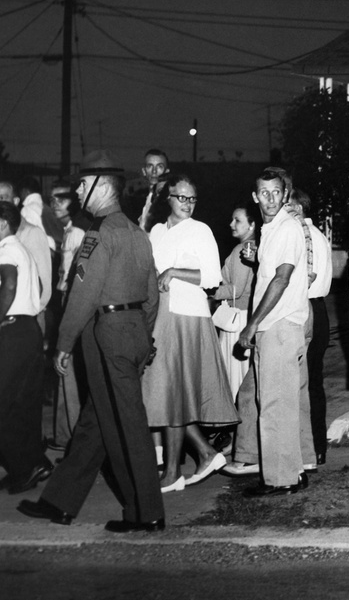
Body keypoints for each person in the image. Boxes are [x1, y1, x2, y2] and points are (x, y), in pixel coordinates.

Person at [18, 150, 164, 532]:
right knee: (96, 422)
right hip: (132, 330)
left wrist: (63, 344)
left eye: (82, 185)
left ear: (102, 187)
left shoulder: (99, 235)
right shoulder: (137, 233)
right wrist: (143, 337)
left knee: (126, 424)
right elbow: (152, 296)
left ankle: (145, 512)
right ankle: (60, 502)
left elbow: (82, 296)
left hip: (107, 334)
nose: (78, 192)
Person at [143, 175, 236, 492]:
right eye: (181, 197)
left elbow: (211, 277)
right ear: (168, 198)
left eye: (192, 199)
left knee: (173, 394)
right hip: (162, 314)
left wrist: (173, 271)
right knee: (167, 393)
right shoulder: (157, 231)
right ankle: (206, 453)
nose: (187, 203)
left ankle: (172, 473)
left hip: (187, 315)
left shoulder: (201, 230)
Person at [237, 168, 314, 497]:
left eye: (276, 192)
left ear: (285, 194)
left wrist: (251, 324)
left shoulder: (285, 228)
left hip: (279, 326)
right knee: (281, 403)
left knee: (273, 405)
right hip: (281, 325)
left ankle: (280, 480)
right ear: (255, 196)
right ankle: (292, 471)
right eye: (263, 193)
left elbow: (281, 279)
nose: (270, 198)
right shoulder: (273, 229)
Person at [0, 200, 47, 494]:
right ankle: (33, 463)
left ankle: (24, 467)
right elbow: (38, 287)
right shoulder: (21, 249)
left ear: (2, 224)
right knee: (21, 405)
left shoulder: (6, 251)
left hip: (10, 332)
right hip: (27, 330)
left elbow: (9, 283)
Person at [289, 189, 333, 466]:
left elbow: (305, 278)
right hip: (315, 309)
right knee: (311, 381)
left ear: (298, 209)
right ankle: (313, 447)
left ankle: (314, 447)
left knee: (309, 383)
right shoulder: (316, 235)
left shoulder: (307, 239)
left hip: (309, 309)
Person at [48, 185, 87, 450]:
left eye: (61, 198)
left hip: (71, 301)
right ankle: (66, 435)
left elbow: (75, 276)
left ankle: (69, 437)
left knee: (67, 367)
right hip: (66, 300)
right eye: (52, 198)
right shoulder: (68, 230)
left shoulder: (77, 231)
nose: (55, 203)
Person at [0, 182, 53, 331]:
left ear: (16, 201)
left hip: (25, 321)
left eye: (2, 198)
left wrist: (30, 318)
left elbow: (44, 285)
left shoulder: (31, 232)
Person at [212, 203, 258, 399]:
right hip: (246, 317)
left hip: (237, 319)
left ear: (252, 225)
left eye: (237, 220)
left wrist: (210, 292)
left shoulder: (242, 249)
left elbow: (236, 290)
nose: (231, 224)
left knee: (234, 376)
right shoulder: (253, 247)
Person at [137, 149, 170, 233]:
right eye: (150, 166)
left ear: (167, 171)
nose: (154, 171)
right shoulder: (136, 200)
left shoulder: (170, 200)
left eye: (159, 167)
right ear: (144, 171)